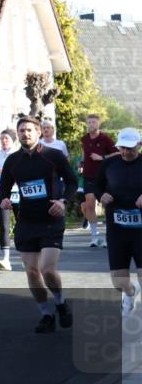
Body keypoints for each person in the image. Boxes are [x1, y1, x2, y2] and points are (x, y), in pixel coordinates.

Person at [0, 116, 78, 334]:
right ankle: (46, 314)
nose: (26, 134)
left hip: (51, 219)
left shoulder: (53, 156)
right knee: (33, 272)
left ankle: (61, 303)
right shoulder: (13, 161)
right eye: (22, 130)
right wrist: (3, 200)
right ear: (18, 134)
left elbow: (72, 181)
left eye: (30, 130)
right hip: (26, 222)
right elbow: (2, 190)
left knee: (47, 269)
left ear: (38, 132)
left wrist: (63, 202)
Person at [95, 127, 142, 318]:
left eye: (130, 148)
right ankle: (130, 294)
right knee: (119, 283)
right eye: (122, 147)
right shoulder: (109, 164)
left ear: (139, 145)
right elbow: (96, 186)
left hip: (141, 230)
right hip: (117, 230)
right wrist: (101, 195)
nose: (125, 152)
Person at [81, 114, 118, 247]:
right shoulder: (84, 139)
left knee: (106, 205)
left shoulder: (105, 138)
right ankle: (95, 237)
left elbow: (118, 153)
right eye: (89, 122)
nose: (91, 124)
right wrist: (81, 163)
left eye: (94, 122)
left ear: (99, 124)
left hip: (104, 177)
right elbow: (84, 153)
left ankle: (109, 236)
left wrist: (102, 157)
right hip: (88, 176)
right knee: (89, 205)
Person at [0, 128, 20, 271]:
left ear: (13, 140)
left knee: (23, 224)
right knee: (4, 226)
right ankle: (6, 259)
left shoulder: (18, 155)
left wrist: (9, 172)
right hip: (1, 193)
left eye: (6, 138)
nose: (3, 141)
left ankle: (26, 255)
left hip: (18, 192)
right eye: (1, 138)